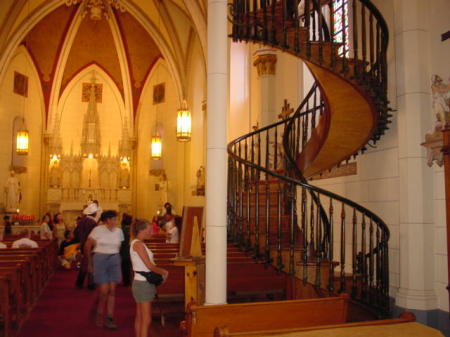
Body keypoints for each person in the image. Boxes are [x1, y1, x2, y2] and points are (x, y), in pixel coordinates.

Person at [84, 210, 123, 330]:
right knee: (104, 290)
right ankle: (100, 312)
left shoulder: (119, 231)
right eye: (114, 219)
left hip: (115, 259)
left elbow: (119, 246)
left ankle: (110, 316)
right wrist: (90, 263)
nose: (116, 221)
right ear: (107, 220)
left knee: (112, 290)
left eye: (117, 219)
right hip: (100, 259)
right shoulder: (97, 230)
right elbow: (87, 246)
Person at [130, 218, 168, 337]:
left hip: (140, 283)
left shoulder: (136, 243)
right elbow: (149, 265)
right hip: (143, 284)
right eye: (149, 230)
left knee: (140, 317)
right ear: (142, 230)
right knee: (146, 320)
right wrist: (164, 272)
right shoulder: (138, 244)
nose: (152, 232)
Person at [74, 203, 98, 289]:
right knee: (91, 264)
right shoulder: (93, 223)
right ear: (94, 213)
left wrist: (81, 241)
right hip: (90, 245)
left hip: (82, 244)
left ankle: (79, 283)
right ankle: (90, 284)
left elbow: (76, 233)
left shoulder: (81, 221)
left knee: (84, 263)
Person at [120, 213, 132, 287]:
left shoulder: (122, 230)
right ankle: (129, 280)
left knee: (124, 266)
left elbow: (120, 242)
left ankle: (126, 281)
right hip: (130, 249)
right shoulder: (132, 230)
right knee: (129, 266)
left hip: (124, 250)